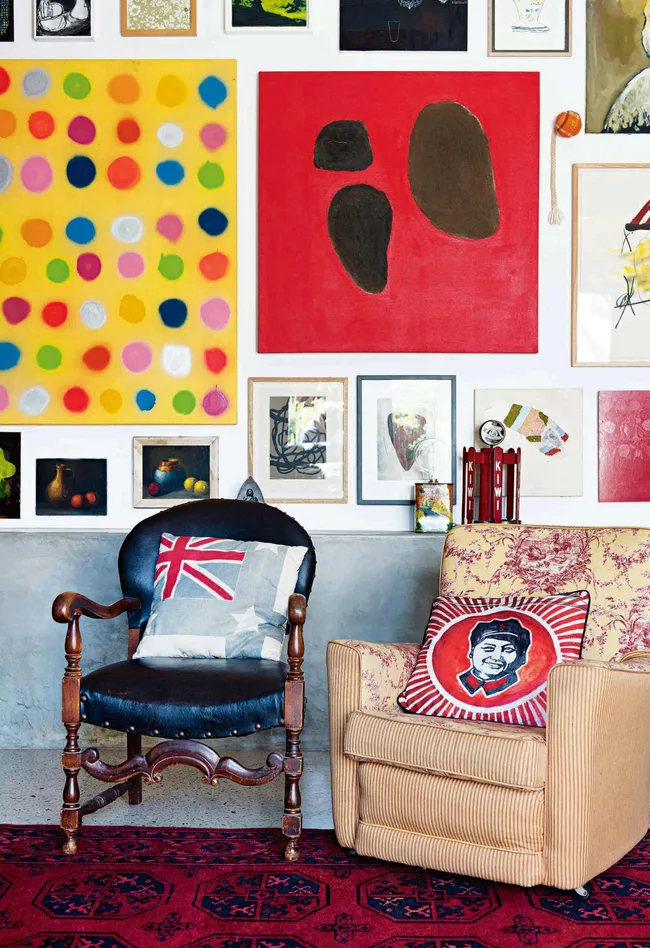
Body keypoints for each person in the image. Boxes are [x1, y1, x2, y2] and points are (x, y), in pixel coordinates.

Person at [458, 617, 531, 697]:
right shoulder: (457, 683)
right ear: (472, 651)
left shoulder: (525, 689)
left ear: (522, 656)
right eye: (488, 648)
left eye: (508, 649)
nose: (496, 657)